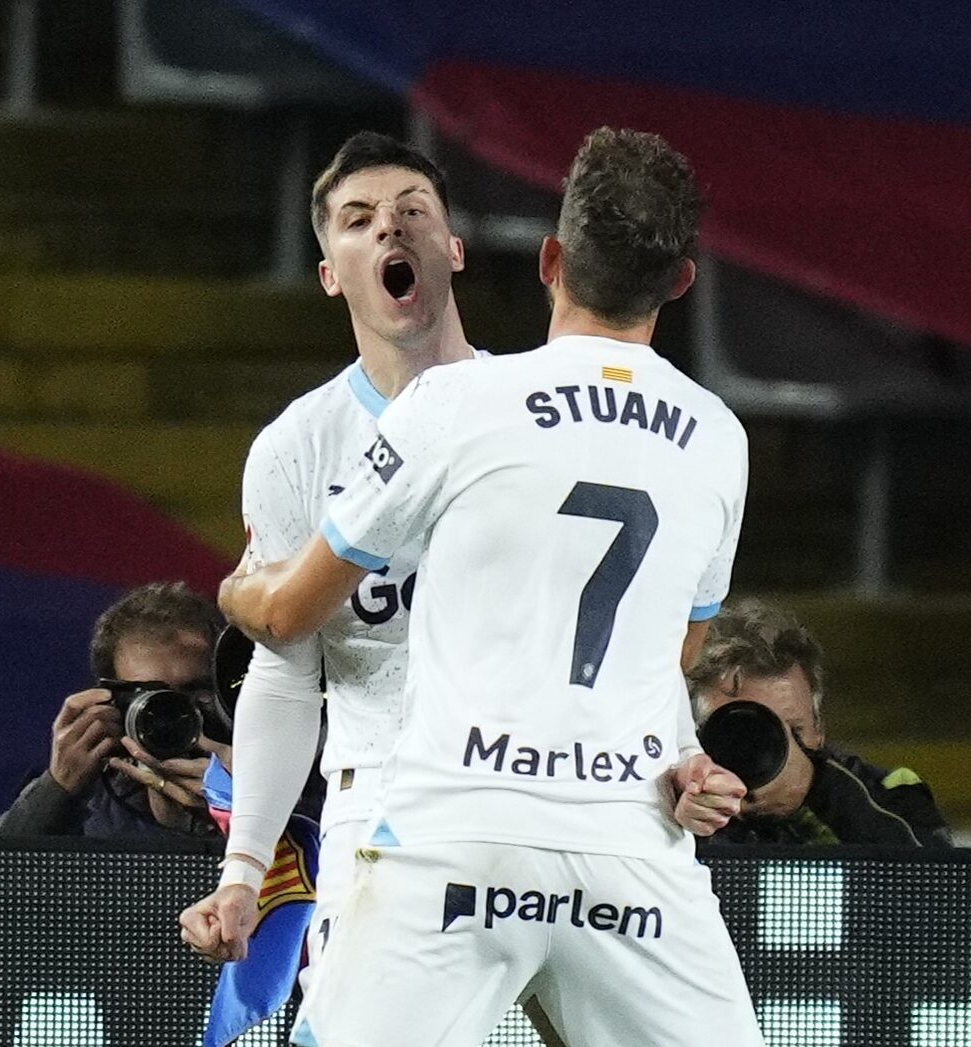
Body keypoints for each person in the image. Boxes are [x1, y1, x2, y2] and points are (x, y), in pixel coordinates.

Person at [203, 127, 762, 1046]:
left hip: (453, 825)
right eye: (359, 218)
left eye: (411, 211)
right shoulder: (717, 436)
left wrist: (240, 593)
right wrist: (675, 751)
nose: (390, 229)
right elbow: (667, 652)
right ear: (681, 282)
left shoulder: (460, 406)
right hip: (614, 833)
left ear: (545, 262)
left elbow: (285, 614)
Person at [688, 601, 953, 847]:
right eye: (740, 731)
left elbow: (931, 876)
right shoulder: (670, 792)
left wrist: (816, 790)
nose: (767, 752)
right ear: (691, 730)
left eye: (794, 732)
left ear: (818, 730)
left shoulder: (888, 793)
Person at [0, 581, 228, 838]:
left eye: (198, 693)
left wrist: (235, 811)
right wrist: (57, 788)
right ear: (111, 701)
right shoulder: (86, 804)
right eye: (151, 697)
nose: (174, 715)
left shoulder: (252, 789)